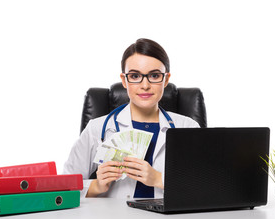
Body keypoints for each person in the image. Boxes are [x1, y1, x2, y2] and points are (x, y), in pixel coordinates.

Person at [64, 38, 200, 198]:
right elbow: (65, 187)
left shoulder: (187, 127)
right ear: (124, 80)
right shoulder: (97, 128)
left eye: (154, 75)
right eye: (135, 76)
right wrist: (96, 185)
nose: (145, 85)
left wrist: (159, 179)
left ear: (166, 80)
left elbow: (203, 186)